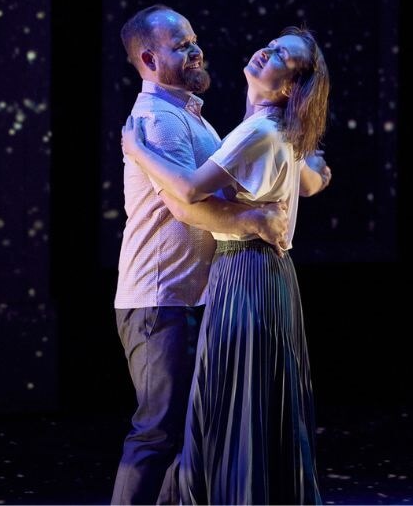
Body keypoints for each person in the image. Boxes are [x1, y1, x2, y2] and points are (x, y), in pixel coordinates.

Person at [123, 26, 332, 504]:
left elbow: (191, 192)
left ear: (286, 89)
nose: (265, 51)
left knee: (235, 408)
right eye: (273, 43)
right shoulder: (275, 129)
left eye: (281, 55)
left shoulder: (258, 129)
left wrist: (139, 151)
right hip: (261, 277)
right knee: (248, 408)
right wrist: (311, 177)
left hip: (245, 274)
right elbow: (304, 182)